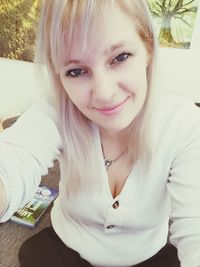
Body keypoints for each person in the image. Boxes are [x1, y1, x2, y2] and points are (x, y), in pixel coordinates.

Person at [0, 0, 200, 266]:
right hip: (65, 249)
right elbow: (14, 159)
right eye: (76, 71)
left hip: (149, 256)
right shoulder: (55, 112)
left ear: (148, 47)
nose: (104, 93)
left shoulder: (185, 125)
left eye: (120, 57)